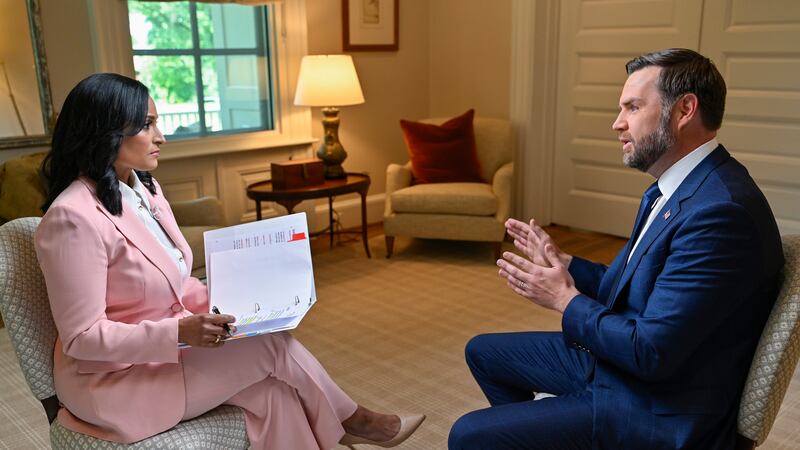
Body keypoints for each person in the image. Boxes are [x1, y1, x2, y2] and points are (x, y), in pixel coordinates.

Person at [35, 73, 424, 449]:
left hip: (165, 359)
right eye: (147, 125)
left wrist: (237, 301)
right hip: (114, 383)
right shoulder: (71, 218)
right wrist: (180, 333)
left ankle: (349, 422)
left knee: (276, 394)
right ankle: (355, 421)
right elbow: (83, 339)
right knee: (270, 348)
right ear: (106, 133)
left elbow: (173, 282)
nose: (161, 137)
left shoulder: (142, 188)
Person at [448, 48, 784, 449]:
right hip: (623, 367)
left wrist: (564, 300)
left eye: (633, 107)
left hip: (656, 405)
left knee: (468, 434)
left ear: (684, 110)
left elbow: (650, 352)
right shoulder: (675, 188)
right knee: (483, 353)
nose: (617, 123)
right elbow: (630, 288)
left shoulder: (720, 212)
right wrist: (566, 264)